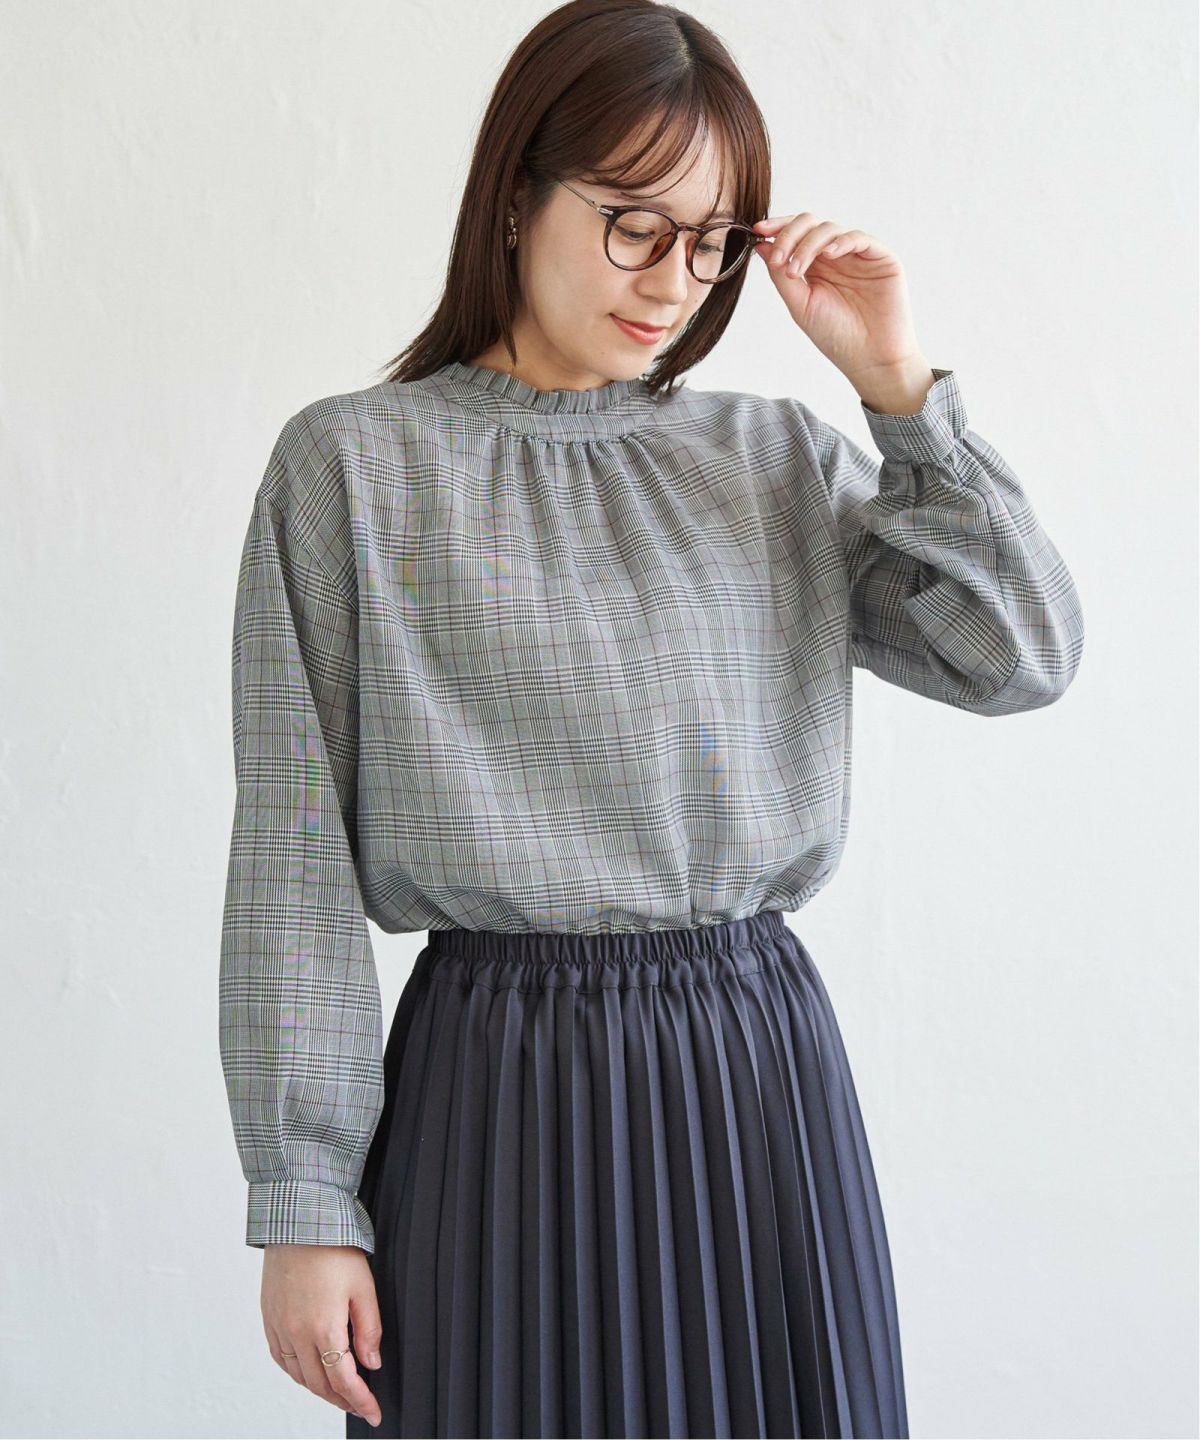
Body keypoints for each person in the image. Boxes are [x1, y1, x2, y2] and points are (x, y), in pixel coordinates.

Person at [217, 1, 1085, 1436]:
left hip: (753, 1080)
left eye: (713, 241)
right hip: (492, 1089)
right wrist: (305, 1201)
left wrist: (897, 390)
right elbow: (291, 855)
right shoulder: (355, 468)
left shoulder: (771, 460)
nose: (675, 281)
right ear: (516, 197)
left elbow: (1021, 650)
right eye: (636, 225)